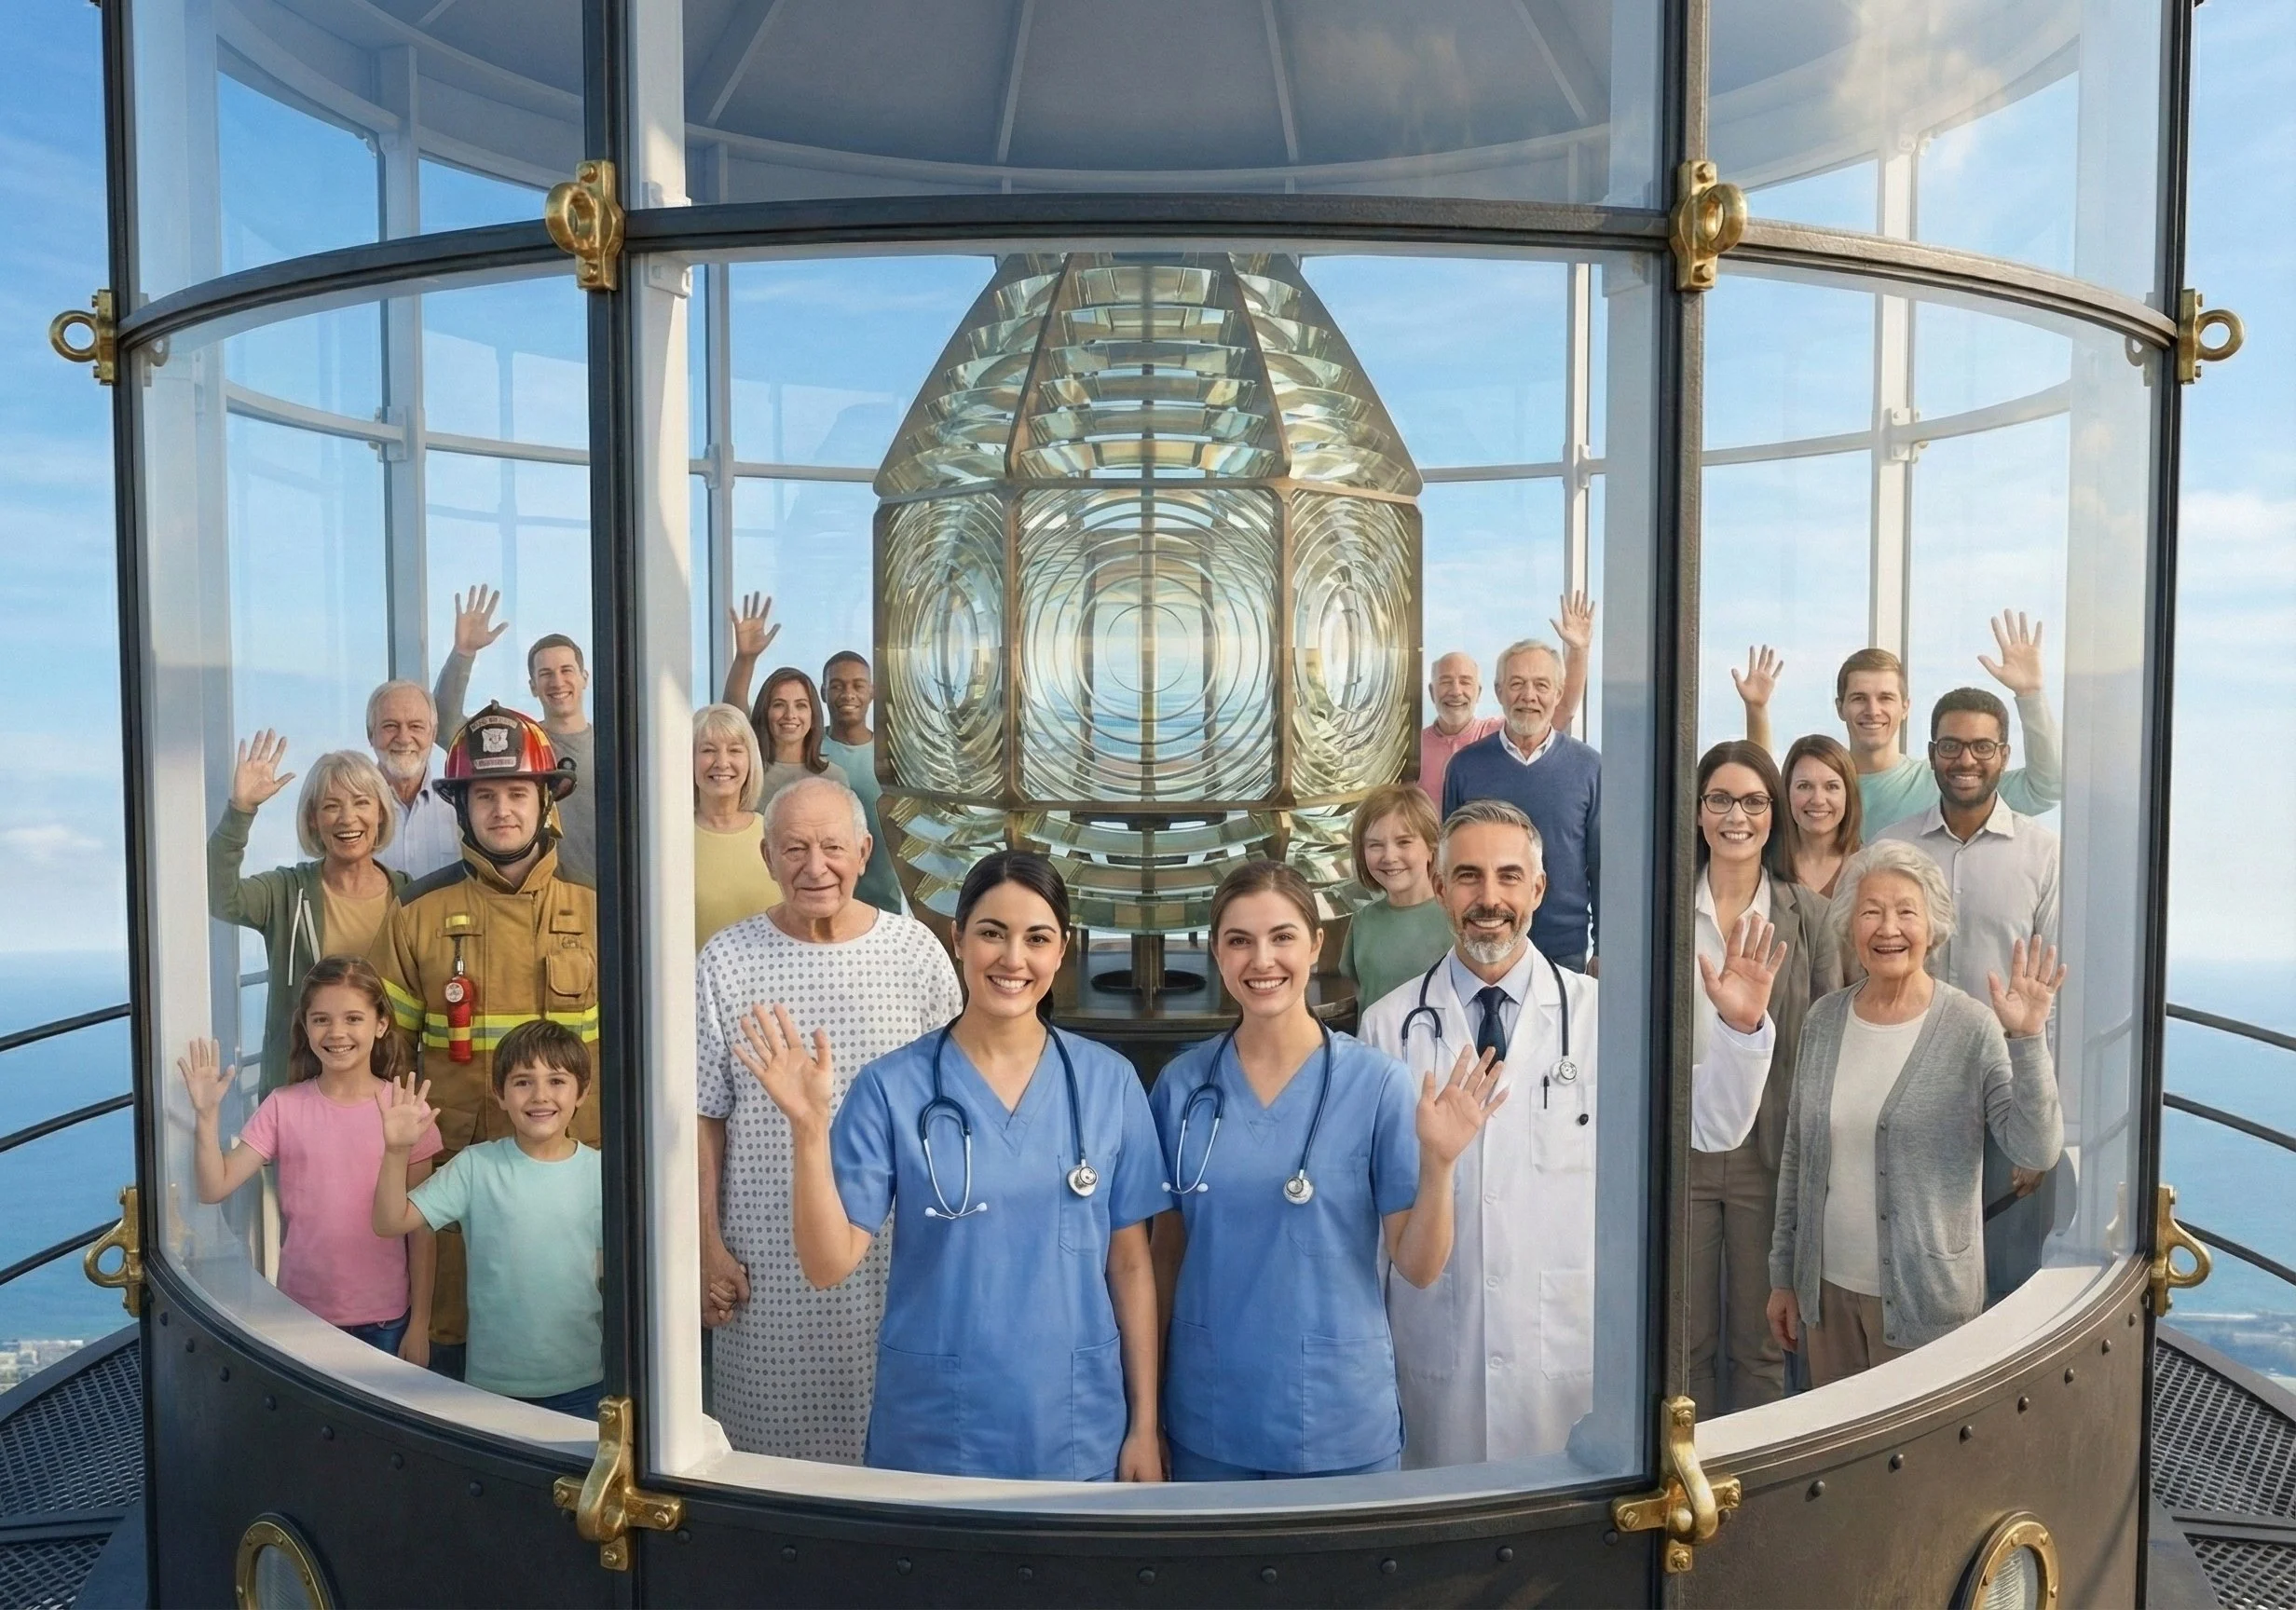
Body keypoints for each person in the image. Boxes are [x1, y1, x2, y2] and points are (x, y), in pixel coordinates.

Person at [1360, 801, 1777, 1465]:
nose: (1488, 898)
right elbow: (1376, 1216)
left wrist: (1741, 1029)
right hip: (1439, 1351)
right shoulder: (1387, 1027)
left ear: (1539, 890)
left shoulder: (1600, 1016)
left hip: (1564, 1359)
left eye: (1507, 877)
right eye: (1467, 877)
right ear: (1439, 889)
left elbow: (1713, 1123)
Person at [734, 853, 1166, 1480]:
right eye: (992, 933)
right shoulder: (892, 1087)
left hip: (1074, 1422)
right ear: (958, 938)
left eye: (1036, 938)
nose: (1013, 959)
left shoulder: (1108, 1083)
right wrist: (807, 1131)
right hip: (938, 1428)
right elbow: (827, 1265)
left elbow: (1130, 1265)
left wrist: (1145, 1425)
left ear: (1061, 951)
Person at [1150, 860, 1508, 1480]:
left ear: (1316, 945)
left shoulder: (1376, 1084)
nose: (1262, 960)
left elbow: (1419, 1268)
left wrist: (1440, 1165)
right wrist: (1145, 1409)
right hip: (1209, 1416)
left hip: (1337, 1421)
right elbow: (1163, 1258)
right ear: (1216, 953)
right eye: (1239, 941)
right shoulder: (1182, 1086)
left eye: (1283, 936)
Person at [695, 774, 961, 1460]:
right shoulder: (724, 959)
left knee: (898, 1465)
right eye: (795, 849)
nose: (816, 867)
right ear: (766, 857)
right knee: (768, 1468)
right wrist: (704, 1244)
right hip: (765, 1266)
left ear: (865, 850)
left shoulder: (917, 954)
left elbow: (958, 1111)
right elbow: (704, 1114)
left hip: (898, 1262)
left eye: (833, 847)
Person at [1766, 840, 2065, 1385]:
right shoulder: (1824, 1020)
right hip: (1827, 1300)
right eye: (1871, 911)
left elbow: (2034, 1148)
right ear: (1850, 927)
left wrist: (2027, 1038)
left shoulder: (1970, 1028)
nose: (1888, 928)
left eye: (1907, 912)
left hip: (1927, 1305)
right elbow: (1798, 1158)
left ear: (1933, 928)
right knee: (1839, 1458)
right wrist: (1785, 1278)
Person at [371, 703, 599, 1379]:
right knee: (454, 1338)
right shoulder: (416, 915)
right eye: (486, 796)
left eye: (517, 794)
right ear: (462, 809)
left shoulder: (600, 909)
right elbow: (386, 1064)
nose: (503, 810)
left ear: (546, 802)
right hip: (461, 1178)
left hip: (576, 1173)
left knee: (580, 1328)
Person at [1876, 688, 2063, 1304]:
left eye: (1982, 746)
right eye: (1951, 745)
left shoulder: (2043, 854)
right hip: (1907, 1090)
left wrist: (2042, 1125)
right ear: (1931, 753)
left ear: (2004, 754)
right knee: (1909, 1275)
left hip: (2005, 1094)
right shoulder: (1894, 848)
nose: (1966, 759)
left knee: (2007, 1280)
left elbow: (2053, 990)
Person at [176, 958, 440, 1361]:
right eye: (321, 1020)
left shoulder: (408, 1110)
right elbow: (215, 1187)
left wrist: (420, 1325)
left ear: (381, 1024)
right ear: (306, 1026)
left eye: (353, 1018)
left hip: (387, 1321)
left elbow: (421, 1232)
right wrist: (206, 1115)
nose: (337, 1033)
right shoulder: (284, 1106)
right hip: (300, 1317)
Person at [1685, 743, 1840, 1417]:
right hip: (1680, 1151)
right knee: (1680, 1340)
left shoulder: (1808, 915)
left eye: (1753, 802)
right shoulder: (1661, 907)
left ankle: (1744, 1505)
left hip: (1768, 1154)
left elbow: (1831, 1039)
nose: (1736, 816)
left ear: (1774, 816)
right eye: (1720, 799)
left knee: (1759, 1344)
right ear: (1697, 812)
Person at [374, 1019, 606, 1419]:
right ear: (499, 1094)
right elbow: (390, 1223)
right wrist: (396, 1150)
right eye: (522, 1082)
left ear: (582, 1092)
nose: (539, 1096)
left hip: (581, 1384)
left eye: (556, 1081)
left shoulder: (603, 1174)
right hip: (490, 1385)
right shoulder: (475, 1167)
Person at [1731, 613, 2061, 835]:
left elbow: (2047, 787)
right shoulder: (1821, 787)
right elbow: (1764, 793)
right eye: (1859, 698)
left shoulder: (1944, 782)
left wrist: (2029, 694)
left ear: (1905, 708)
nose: (1872, 710)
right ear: (1840, 707)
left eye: (1886, 698)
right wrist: (1757, 710)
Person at [209, 735, 409, 1094]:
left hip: (384, 1090)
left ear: (380, 813)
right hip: (300, 1089)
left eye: (361, 802)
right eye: (331, 806)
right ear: (313, 820)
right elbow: (219, 896)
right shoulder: (286, 891)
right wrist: (240, 811)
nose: (347, 818)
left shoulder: (408, 896)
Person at [1440, 639, 1601, 968]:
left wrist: (1603, 948)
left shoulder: (1589, 767)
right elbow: (1450, 862)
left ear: (1557, 693)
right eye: (1517, 684)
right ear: (1499, 692)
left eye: (1541, 685)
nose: (1529, 696)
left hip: (1563, 947)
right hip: (1483, 939)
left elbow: (1601, 865)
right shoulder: (1465, 766)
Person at [433, 584, 597, 887]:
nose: (557, 681)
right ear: (533, 686)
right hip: (540, 898)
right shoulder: (522, 746)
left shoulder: (618, 747)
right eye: (545, 674)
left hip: (612, 904)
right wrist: (463, 653)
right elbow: (443, 725)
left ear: (584, 678)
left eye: (566, 670)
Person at [1414, 593, 1593, 805]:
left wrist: (1579, 650)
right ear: (1431, 691)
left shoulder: (1500, 734)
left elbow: (1561, 710)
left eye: (1465, 681)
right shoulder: (1414, 746)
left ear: (1480, 692)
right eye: (1445, 681)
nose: (1456, 691)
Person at [1338, 785, 1454, 1013]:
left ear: (1432, 847)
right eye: (1375, 845)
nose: (1389, 857)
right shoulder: (1363, 921)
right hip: (1372, 1046)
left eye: (1404, 842)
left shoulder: (1457, 920)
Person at [819, 650, 907, 916]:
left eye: (858, 685)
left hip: (886, 906)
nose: (848, 694)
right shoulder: (809, 749)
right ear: (823, 693)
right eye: (837, 686)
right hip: (822, 900)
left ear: (872, 691)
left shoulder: (894, 753)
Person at [693, 703, 782, 950]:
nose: (722, 762)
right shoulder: (670, 839)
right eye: (708, 750)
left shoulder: (776, 835)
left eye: (734, 750)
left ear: (750, 759)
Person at [368, 680, 460, 879]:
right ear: (370, 735)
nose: (403, 738)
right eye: (390, 726)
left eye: (416, 727)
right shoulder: (351, 809)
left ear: (433, 734)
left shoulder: (460, 805)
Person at [1777, 733, 1864, 898]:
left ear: (1848, 793)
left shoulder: (1869, 868)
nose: (1818, 800)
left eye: (1831, 787)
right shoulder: (1766, 866)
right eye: (1804, 786)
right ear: (1786, 792)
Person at [750, 666, 850, 802]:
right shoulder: (748, 773)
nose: (790, 715)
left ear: (813, 715)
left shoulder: (834, 777)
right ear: (764, 712)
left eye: (800, 705)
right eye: (779, 705)